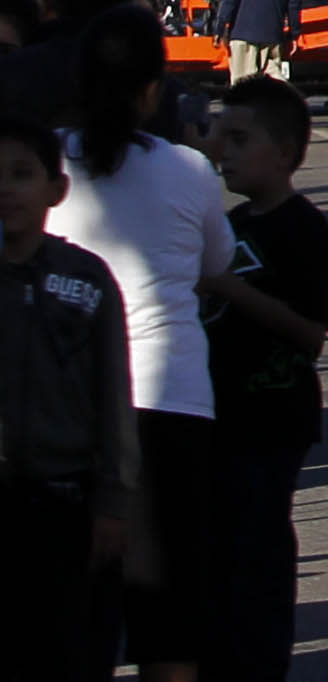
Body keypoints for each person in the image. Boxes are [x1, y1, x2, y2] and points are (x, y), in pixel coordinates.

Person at [52, 9, 226, 682]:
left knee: (72, 619)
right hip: (170, 404)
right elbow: (216, 263)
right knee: (169, 624)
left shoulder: (42, 168)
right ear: (154, 89)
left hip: (70, 413)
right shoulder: (189, 170)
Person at [199, 75, 328, 682]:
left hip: (275, 413)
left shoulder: (303, 228)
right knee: (218, 553)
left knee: (260, 547)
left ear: (282, 154)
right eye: (219, 136)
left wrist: (230, 288)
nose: (222, 149)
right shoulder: (226, 224)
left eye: (239, 138)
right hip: (217, 412)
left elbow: (309, 333)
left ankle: (262, 661)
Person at [0, 109, 139, 682]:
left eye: (21, 173)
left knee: (70, 651)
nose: (5, 190)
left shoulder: (85, 279)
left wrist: (114, 500)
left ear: (56, 189)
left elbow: (114, 395)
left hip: (68, 501)